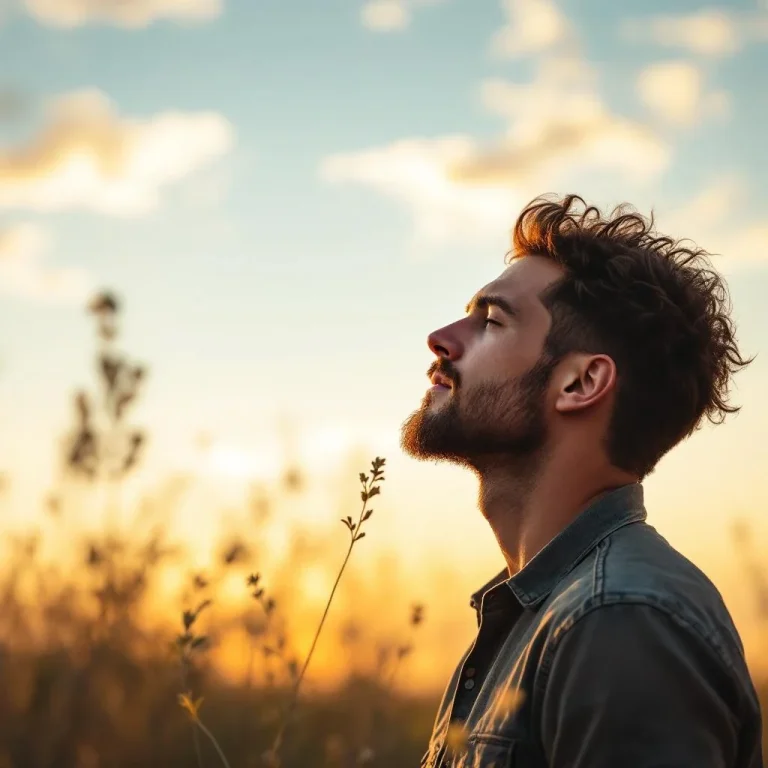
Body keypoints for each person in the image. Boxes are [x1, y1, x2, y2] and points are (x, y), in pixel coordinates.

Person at [401, 195, 763, 768]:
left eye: (492, 321)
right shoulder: (544, 611)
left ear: (580, 383)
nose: (442, 338)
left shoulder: (619, 619)